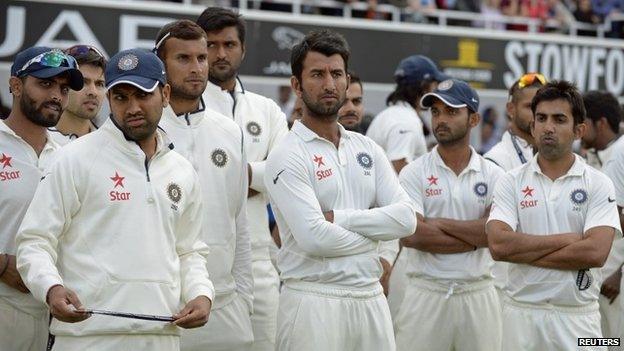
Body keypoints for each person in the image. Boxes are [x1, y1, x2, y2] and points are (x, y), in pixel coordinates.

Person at [15, 48, 214, 351]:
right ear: (110, 100)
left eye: (143, 95)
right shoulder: (74, 159)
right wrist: (51, 288)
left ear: (165, 93)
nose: (132, 107)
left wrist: (201, 293)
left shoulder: (182, 170)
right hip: (87, 337)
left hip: (162, 335)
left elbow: (190, 251)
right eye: (121, 97)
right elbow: (35, 241)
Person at [265, 29, 416, 351]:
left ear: (347, 80)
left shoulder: (368, 148)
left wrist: (339, 218)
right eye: (317, 74)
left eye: (336, 74)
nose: (329, 84)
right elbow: (315, 238)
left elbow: (406, 220)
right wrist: (377, 234)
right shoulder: (286, 154)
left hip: (370, 299)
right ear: (297, 85)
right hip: (313, 302)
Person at [487, 80, 621, 351]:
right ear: (533, 126)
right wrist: (570, 240)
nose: (548, 127)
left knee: (615, 341)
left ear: (578, 130)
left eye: (559, 119)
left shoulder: (598, 182)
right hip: (521, 315)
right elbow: (499, 246)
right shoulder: (509, 181)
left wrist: (523, 251)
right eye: (541, 118)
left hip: (579, 320)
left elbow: (595, 253)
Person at [155, 20, 254, 351]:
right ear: (160, 64)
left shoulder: (229, 131)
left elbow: (238, 220)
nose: (197, 68)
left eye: (201, 58)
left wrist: (244, 298)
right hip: (162, 303)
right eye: (183, 59)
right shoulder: (145, 131)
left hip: (225, 304)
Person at [196, 8, 289, 351]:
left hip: (261, 257)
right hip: (202, 256)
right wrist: (257, 175)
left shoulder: (267, 109)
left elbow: (285, 174)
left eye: (229, 44)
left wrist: (225, 176)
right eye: (213, 45)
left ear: (243, 49)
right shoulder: (186, 108)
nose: (221, 54)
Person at [394, 79, 504, 351]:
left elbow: (496, 235)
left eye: (452, 111)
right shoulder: (413, 172)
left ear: (474, 119)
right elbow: (412, 235)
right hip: (425, 293)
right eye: (435, 112)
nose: (441, 119)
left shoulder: (495, 175)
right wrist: (478, 236)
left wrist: (437, 223)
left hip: (477, 293)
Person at [0, 46, 83, 351]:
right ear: (16, 85)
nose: (57, 96)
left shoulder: (69, 156)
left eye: (63, 89)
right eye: (45, 84)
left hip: (57, 313)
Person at [483, 72, 546, 297]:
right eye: (531, 107)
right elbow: (495, 233)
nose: (538, 115)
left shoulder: (546, 157)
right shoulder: (496, 160)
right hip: (505, 286)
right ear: (511, 109)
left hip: (542, 284)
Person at [580, 90, 624, 344]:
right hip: (597, 281)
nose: (578, 128)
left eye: (583, 122)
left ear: (602, 123)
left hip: (614, 283)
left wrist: (620, 273)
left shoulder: (619, 155)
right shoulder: (592, 157)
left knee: (613, 343)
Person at [366, 54, 446, 174]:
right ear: (424, 86)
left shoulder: (390, 114)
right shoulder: (406, 121)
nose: (436, 91)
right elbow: (398, 170)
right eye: (435, 84)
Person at [48, 45, 107, 145]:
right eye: (83, 82)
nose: (93, 92)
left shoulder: (110, 147)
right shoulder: (38, 140)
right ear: (62, 86)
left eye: (100, 84)